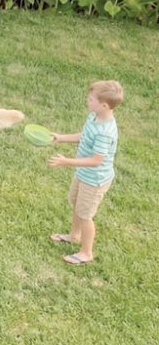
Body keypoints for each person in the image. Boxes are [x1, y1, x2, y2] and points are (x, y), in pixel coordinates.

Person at [48, 80, 123, 266]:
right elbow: (84, 135)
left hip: (95, 179)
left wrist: (66, 161)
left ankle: (86, 252)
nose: (87, 101)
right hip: (83, 174)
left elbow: (96, 160)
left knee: (86, 215)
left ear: (104, 105)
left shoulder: (105, 132)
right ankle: (74, 235)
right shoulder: (94, 116)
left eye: (90, 99)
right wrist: (62, 138)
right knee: (75, 202)